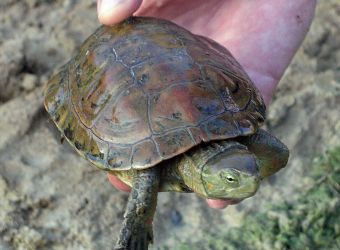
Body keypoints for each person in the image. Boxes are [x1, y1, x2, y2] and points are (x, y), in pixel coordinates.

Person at [96, 0, 316, 209]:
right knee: (145, 176)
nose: (254, 180)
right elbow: (146, 174)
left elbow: (276, 153)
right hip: (106, 60)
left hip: (178, 47)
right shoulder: (154, 163)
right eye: (230, 179)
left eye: (254, 168)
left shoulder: (244, 138)